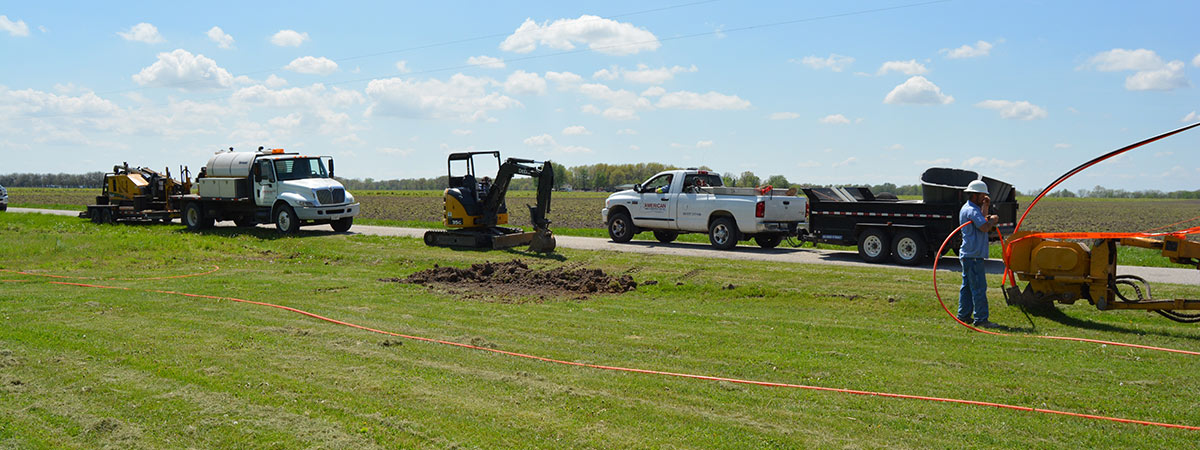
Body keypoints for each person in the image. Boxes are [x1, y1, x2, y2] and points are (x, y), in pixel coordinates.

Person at [959, 180, 1001, 328]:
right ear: (975, 195)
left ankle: (963, 315)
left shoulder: (970, 208)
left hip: (969, 254)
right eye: (983, 195)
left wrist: (986, 206)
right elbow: (984, 226)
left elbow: (981, 219)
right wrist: (994, 220)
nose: (984, 197)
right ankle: (981, 319)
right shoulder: (971, 210)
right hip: (973, 255)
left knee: (968, 287)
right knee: (978, 288)